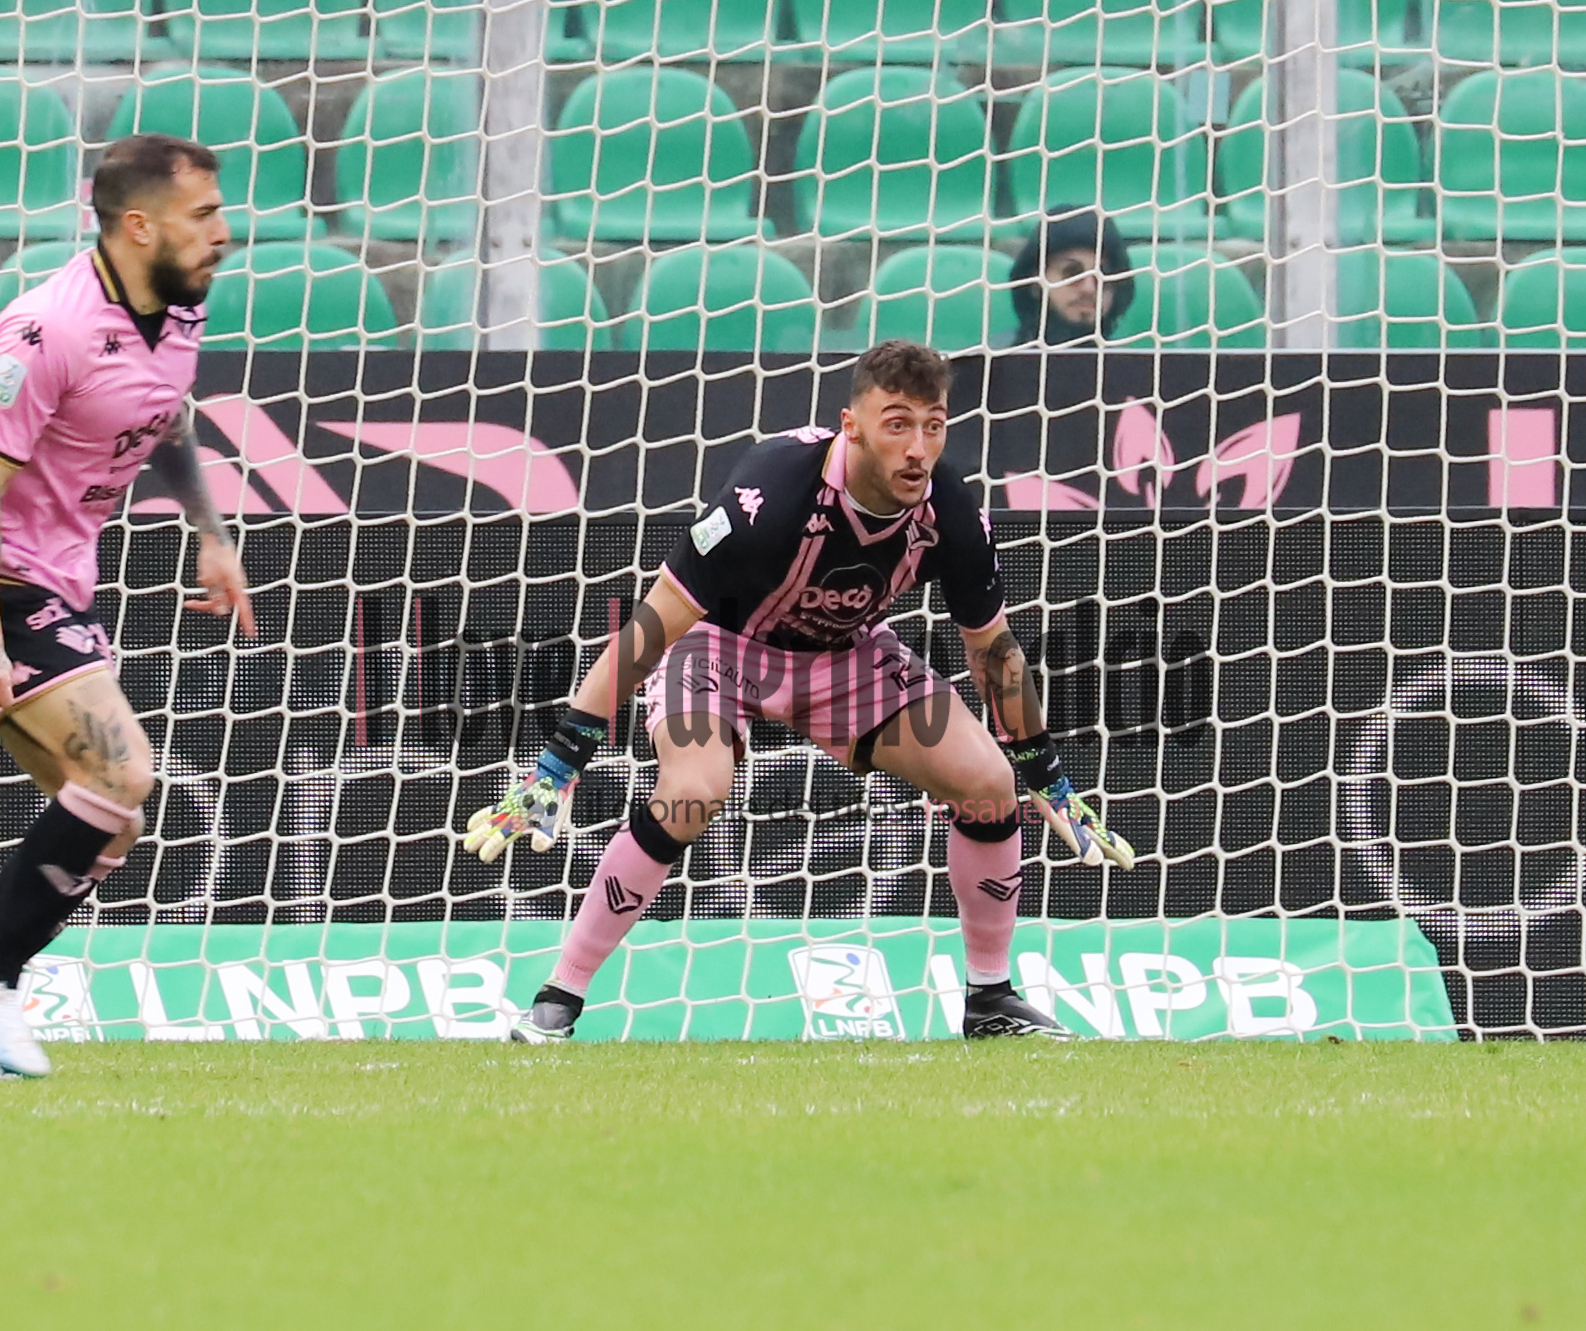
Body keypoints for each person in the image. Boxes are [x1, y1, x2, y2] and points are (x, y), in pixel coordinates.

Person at [464, 339, 1136, 1043]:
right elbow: (650, 629)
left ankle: (990, 998)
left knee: (987, 783)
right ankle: (558, 997)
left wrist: (1044, 774)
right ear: (852, 425)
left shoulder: (950, 512)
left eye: (932, 425)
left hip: (843, 659)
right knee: (695, 787)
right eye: (896, 423)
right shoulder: (772, 490)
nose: (916, 448)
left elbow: (991, 648)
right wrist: (560, 763)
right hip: (721, 647)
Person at [0, 134, 253, 1080]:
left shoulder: (174, 312)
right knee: (126, 770)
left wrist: (209, 531)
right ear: (138, 224)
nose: (224, 233)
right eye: (203, 214)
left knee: (108, 820)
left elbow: (164, 416)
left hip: (51, 581)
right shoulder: (46, 330)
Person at [1004, 206, 1134, 347]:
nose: (1089, 289)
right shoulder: (995, 363)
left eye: (1104, 275)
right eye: (1071, 273)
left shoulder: (1130, 366)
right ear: (1035, 282)